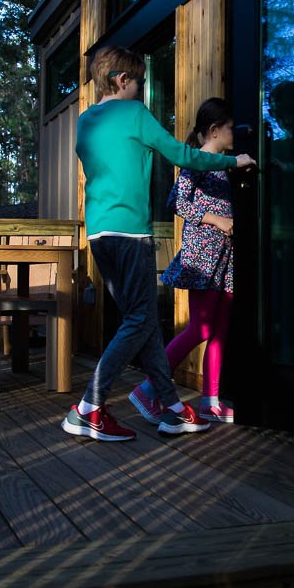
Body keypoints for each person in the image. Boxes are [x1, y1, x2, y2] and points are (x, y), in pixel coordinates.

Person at [63, 47, 255, 441]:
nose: (143, 90)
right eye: (140, 82)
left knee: (145, 319)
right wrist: (235, 163)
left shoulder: (85, 122)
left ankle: (169, 408)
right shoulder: (134, 114)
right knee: (138, 320)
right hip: (131, 233)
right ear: (121, 81)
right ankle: (87, 407)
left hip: (99, 233)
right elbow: (185, 156)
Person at [130, 98, 239, 424]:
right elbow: (176, 201)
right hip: (203, 256)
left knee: (219, 331)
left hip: (226, 258)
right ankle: (148, 388)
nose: (234, 132)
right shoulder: (197, 162)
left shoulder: (227, 164)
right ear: (215, 130)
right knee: (200, 328)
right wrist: (215, 220)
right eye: (230, 127)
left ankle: (211, 402)